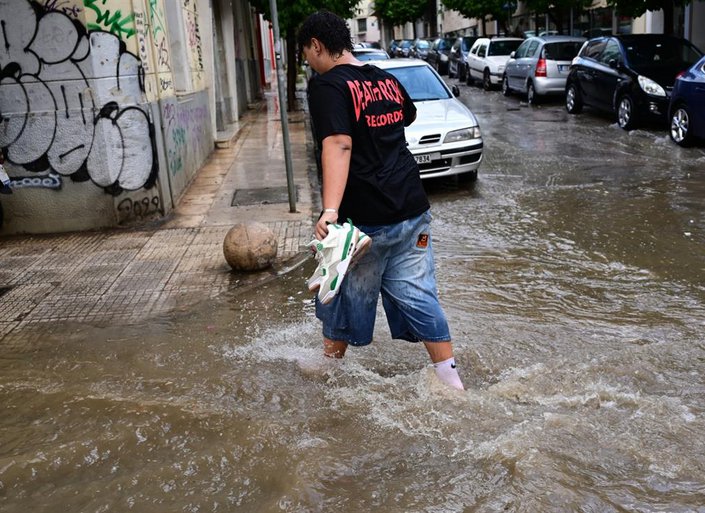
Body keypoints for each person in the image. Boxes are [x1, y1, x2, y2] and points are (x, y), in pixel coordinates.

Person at [298, 10, 464, 391]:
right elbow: (406, 115)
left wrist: (330, 211)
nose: (308, 61)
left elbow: (339, 143)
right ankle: (451, 381)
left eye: (307, 53)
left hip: (366, 218)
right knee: (420, 294)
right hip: (413, 209)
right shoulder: (386, 79)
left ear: (317, 46)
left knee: (336, 285)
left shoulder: (328, 86)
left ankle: (330, 372)